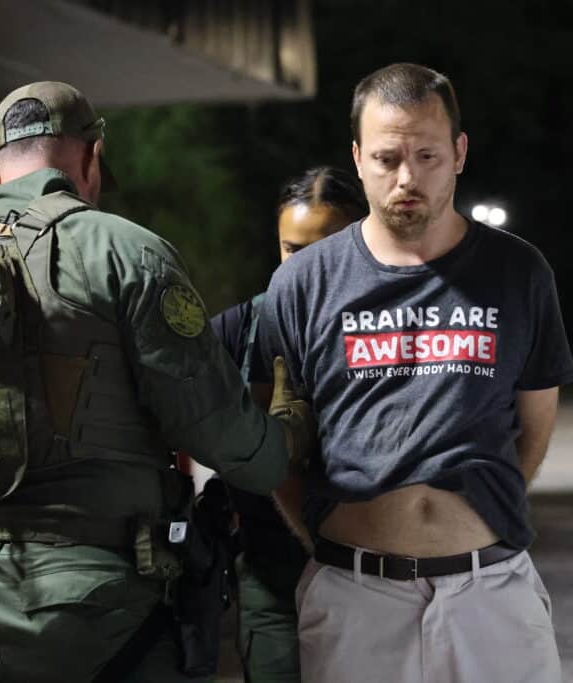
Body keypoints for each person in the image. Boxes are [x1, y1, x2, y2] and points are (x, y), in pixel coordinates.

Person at [0, 81, 312, 683]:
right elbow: (222, 434)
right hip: (102, 612)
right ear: (92, 158)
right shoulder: (123, 251)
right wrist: (285, 436)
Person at [259, 63, 573, 682]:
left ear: (459, 152)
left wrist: (482, 517)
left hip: (491, 593)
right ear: (358, 158)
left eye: (427, 155)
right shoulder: (302, 283)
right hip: (356, 598)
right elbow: (270, 439)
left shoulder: (518, 272)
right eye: (386, 158)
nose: (406, 177)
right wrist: (322, 540)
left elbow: (535, 425)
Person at [210, 166, 366, 683]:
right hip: (271, 573)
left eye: (327, 248)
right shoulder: (237, 330)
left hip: (371, 571)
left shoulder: (389, 330)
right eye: (293, 250)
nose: (306, 268)